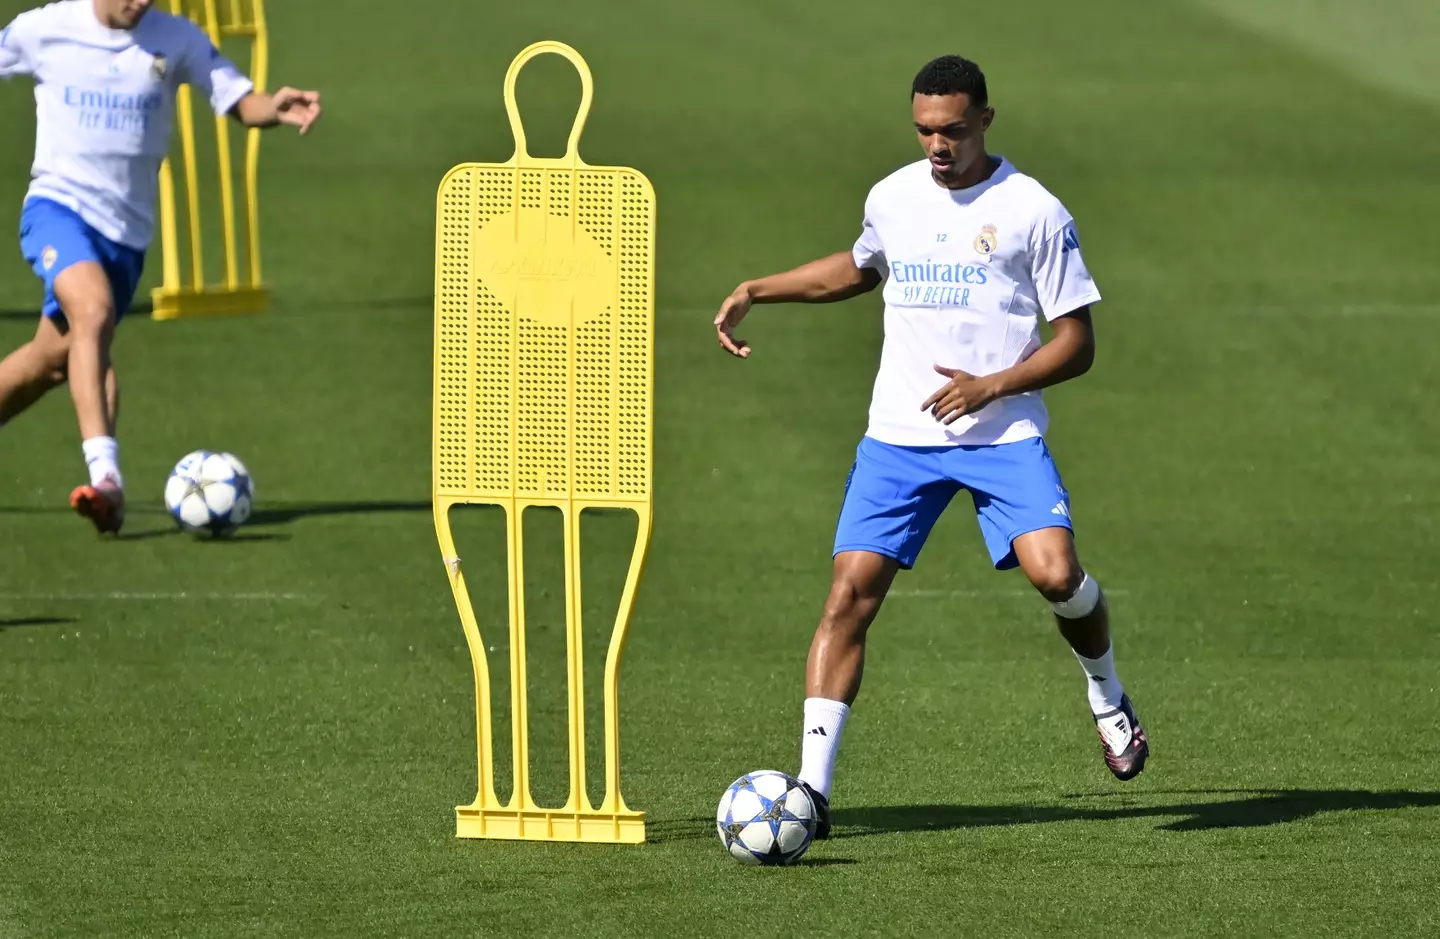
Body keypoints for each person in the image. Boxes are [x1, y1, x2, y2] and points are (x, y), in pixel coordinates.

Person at [713, 54, 1148, 838]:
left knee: (1058, 575)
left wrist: (992, 385)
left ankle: (1106, 692)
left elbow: (1077, 342)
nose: (937, 145)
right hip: (900, 438)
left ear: (984, 119)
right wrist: (757, 288)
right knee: (848, 597)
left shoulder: (1033, 210)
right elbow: (858, 269)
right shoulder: (893, 196)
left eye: (951, 129)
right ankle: (813, 792)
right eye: (923, 130)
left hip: (1001, 432)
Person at [0, 0, 321, 534]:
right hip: (57, 210)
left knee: (53, 360)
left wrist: (275, 107)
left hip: (125, 237)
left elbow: (239, 101)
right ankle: (107, 478)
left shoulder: (177, 38)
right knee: (93, 312)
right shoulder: (44, 29)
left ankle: (104, 486)